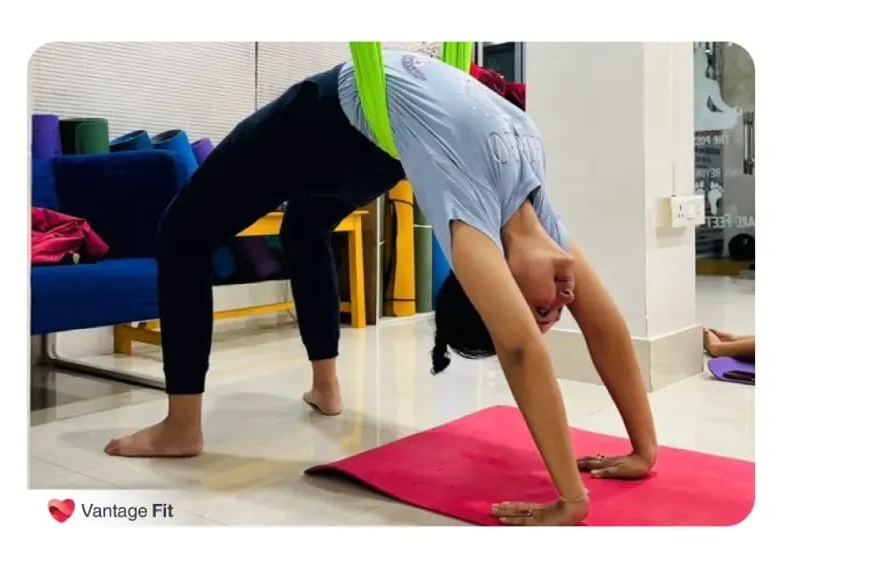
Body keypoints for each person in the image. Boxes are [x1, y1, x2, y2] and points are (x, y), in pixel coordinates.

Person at [104, 49, 659, 526]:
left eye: (541, 309)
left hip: (335, 121)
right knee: (302, 227)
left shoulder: (469, 225)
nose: (563, 300)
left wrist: (570, 498)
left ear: (493, 283)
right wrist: (640, 451)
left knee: (181, 232)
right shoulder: (537, 210)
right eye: (549, 312)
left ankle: (189, 425)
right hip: (365, 126)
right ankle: (302, 394)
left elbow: (519, 347)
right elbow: (601, 325)